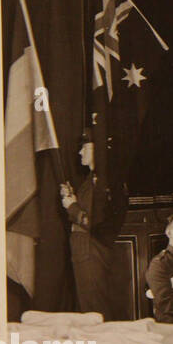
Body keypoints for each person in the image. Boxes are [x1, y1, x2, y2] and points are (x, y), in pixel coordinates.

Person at [59, 130, 114, 317]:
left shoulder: (101, 182)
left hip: (91, 254)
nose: (80, 152)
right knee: (87, 311)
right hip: (84, 252)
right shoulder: (90, 181)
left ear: (96, 149)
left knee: (95, 311)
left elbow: (94, 222)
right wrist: (72, 199)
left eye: (84, 147)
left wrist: (72, 206)